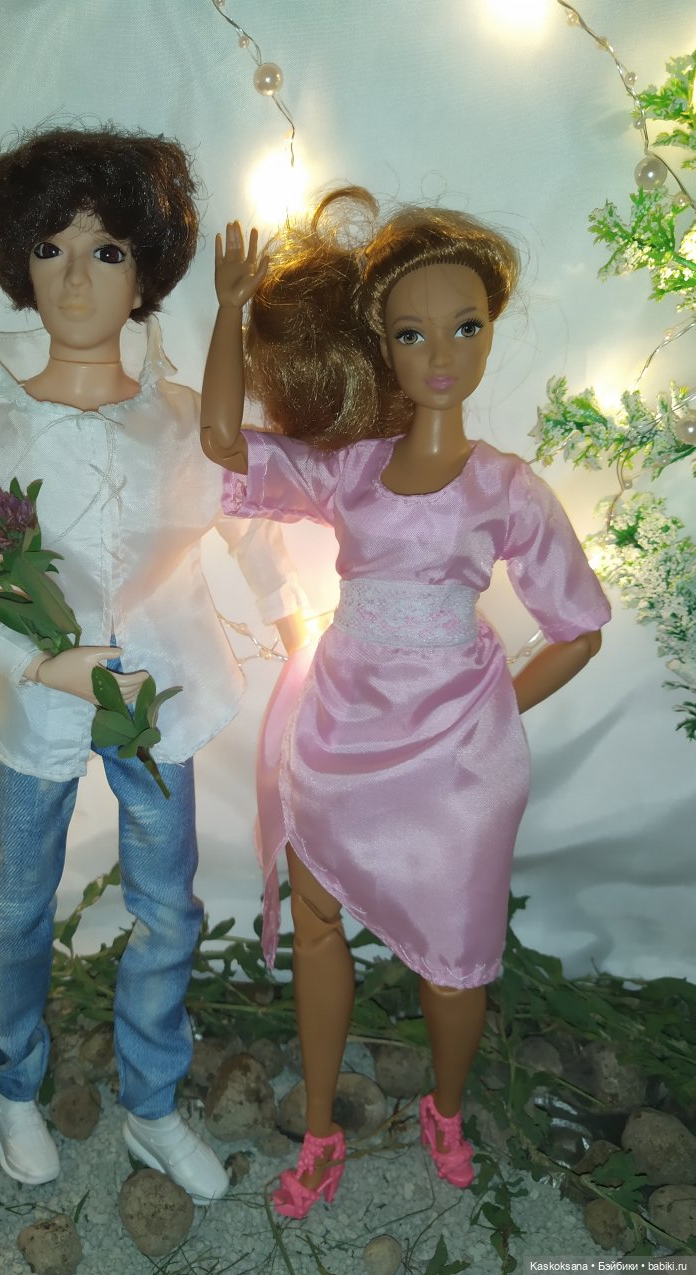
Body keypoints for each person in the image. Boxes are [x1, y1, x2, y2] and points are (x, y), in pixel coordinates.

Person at [0, 125, 306, 1202]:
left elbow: (246, 512)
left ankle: (152, 1100)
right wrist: (36, 664)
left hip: (161, 693)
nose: (76, 278)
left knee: (167, 906)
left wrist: (292, 624)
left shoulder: (179, 417)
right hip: (43, 706)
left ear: (147, 272)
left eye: (107, 251)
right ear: (18, 263)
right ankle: (11, 1087)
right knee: (14, 905)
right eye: (51, 249)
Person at [199, 188, 611, 1216]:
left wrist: (493, 710)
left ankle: (447, 1108)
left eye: (465, 326)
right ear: (379, 344)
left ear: (490, 331)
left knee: (455, 963)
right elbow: (222, 443)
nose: (441, 354)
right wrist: (229, 310)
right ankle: (321, 1125)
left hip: (459, 758)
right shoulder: (353, 469)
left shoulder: (507, 488)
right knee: (319, 925)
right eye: (412, 332)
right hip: (338, 729)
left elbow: (578, 627)